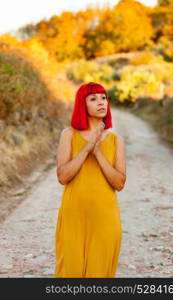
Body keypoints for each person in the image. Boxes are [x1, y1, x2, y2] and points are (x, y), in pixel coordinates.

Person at [54, 81, 126, 278]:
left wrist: (99, 154)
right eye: (93, 99)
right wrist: (86, 149)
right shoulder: (68, 135)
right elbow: (63, 176)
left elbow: (119, 183)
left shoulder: (116, 141)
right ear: (82, 105)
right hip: (73, 215)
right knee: (70, 272)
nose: (101, 102)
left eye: (103, 98)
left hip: (105, 216)